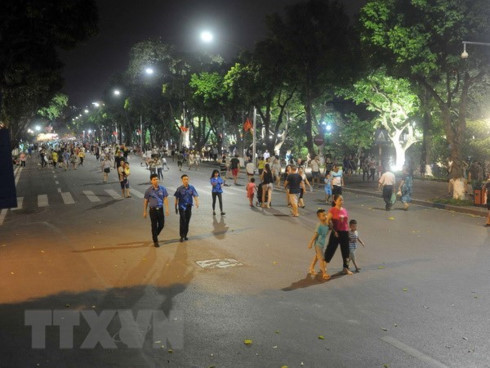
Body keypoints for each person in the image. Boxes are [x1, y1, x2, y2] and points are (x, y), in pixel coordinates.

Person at [324, 194, 353, 275]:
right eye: (340, 200)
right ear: (335, 201)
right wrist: (333, 230)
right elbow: (327, 221)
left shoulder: (345, 210)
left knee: (346, 251)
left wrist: (349, 233)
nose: (341, 201)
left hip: (345, 232)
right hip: (336, 233)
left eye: (342, 200)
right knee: (330, 249)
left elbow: (346, 223)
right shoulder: (332, 210)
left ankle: (346, 268)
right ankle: (324, 265)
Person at [143, 173, 170, 247]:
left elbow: (165, 198)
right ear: (151, 181)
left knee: (161, 225)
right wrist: (145, 211)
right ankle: (155, 241)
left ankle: (155, 235)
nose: (156, 181)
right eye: (154, 179)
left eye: (157, 179)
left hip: (160, 209)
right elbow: (146, 201)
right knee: (154, 225)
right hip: (153, 210)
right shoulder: (148, 190)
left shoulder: (163, 189)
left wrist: (167, 208)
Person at [174, 174, 199, 242]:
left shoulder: (191, 187)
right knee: (183, 221)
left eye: (187, 179)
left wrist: (197, 202)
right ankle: (181, 236)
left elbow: (195, 195)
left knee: (187, 221)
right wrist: (175, 207)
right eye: (184, 179)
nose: (186, 181)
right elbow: (176, 198)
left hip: (188, 206)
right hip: (181, 207)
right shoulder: (179, 189)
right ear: (182, 180)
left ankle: (185, 235)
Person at [307, 209, 330, 280]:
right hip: (318, 244)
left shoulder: (326, 224)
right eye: (323, 215)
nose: (325, 216)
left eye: (325, 215)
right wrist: (310, 243)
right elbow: (315, 235)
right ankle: (324, 273)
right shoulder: (319, 225)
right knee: (321, 259)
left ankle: (311, 268)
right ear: (319, 217)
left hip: (322, 244)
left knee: (317, 257)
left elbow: (328, 230)